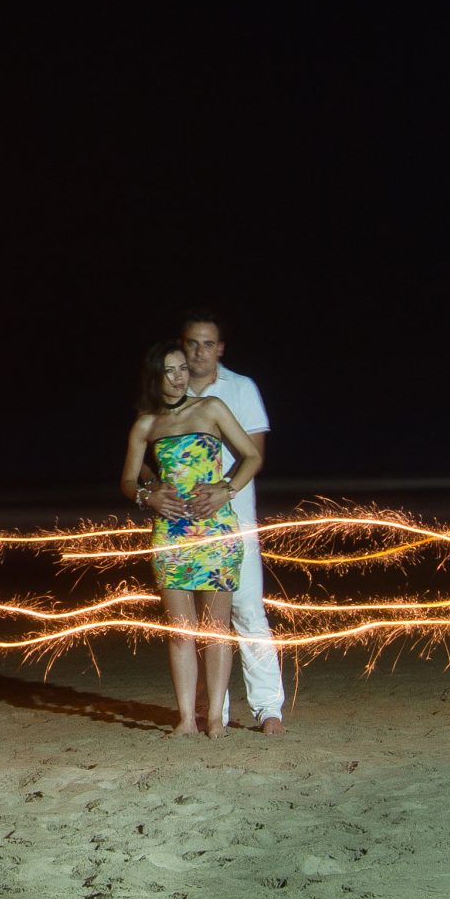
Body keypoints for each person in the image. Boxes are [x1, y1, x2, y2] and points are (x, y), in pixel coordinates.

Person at [136, 310, 286, 733]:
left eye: (208, 344)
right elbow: (143, 459)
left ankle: (268, 709)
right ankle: (210, 712)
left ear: (220, 349)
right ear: (180, 347)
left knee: (247, 611)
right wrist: (153, 490)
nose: (199, 352)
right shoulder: (167, 392)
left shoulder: (239, 389)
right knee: (192, 626)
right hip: (180, 527)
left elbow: (254, 454)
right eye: (192, 344)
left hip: (232, 519)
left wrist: (225, 490)